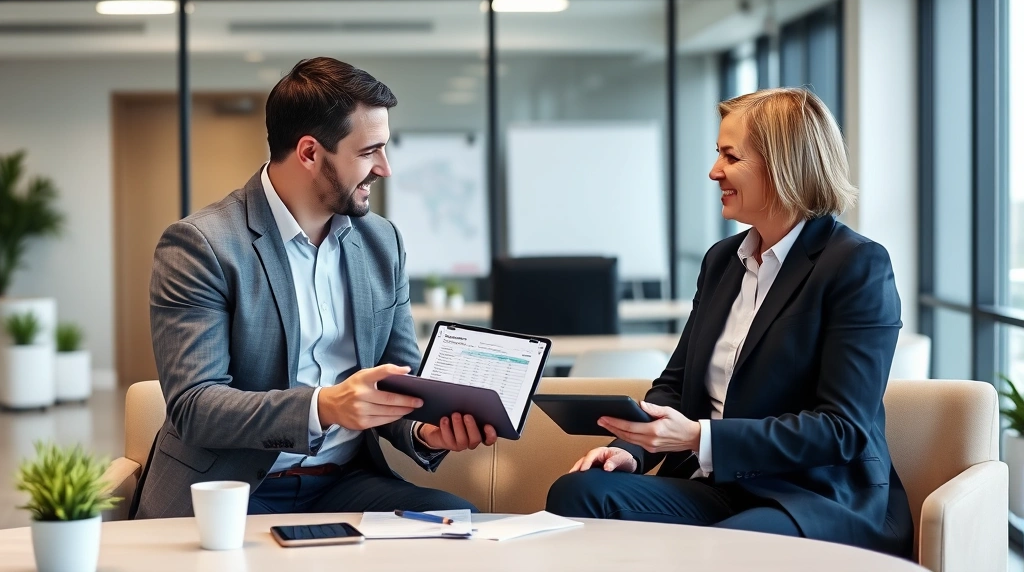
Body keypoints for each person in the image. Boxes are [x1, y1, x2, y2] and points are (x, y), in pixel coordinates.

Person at [545, 88, 914, 558]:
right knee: (575, 494)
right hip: (717, 486)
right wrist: (632, 449)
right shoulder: (722, 261)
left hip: (808, 494)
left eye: (730, 156)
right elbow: (675, 386)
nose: (714, 171)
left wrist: (702, 438)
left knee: (737, 544)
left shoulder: (856, 265)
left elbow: (841, 429)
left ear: (783, 163)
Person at [132, 57, 497, 519]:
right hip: (233, 488)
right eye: (369, 152)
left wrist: (424, 430)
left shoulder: (382, 242)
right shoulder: (203, 244)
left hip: (344, 482)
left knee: (457, 529)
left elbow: (399, 376)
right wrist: (324, 407)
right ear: (309, 153)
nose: (385, 168)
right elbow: (195, 406)